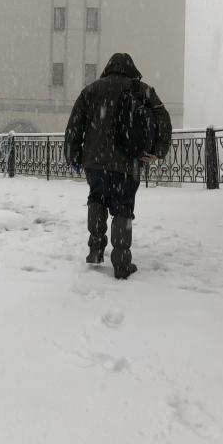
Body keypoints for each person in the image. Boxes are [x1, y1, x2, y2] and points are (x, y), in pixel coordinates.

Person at [64, 53, 172, 279]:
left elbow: (75, 125)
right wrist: (158, 150)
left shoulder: (91, 90)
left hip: (94, 161)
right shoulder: (142, 89)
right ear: (131, 68)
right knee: (123, 208)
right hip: (128, 162)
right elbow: (163, 118)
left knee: (97, 199)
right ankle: (121, 263)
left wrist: (74, 154)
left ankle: (95, 249)